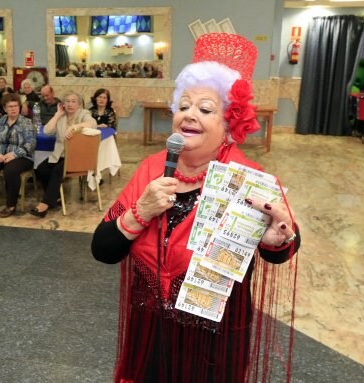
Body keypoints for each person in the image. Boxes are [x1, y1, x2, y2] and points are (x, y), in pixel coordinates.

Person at [90, 33, 301, 383]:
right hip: (151, 328)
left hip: (214, 339)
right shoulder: (151, 169)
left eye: (205, 109)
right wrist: (139, 213)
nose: (189, 115)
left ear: (229, 125)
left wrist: (273, 239)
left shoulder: (249, 179)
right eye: (184, 106)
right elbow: (103, 249)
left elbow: (284, 245)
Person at [30, 91, 97, 218]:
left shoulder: (83, 114)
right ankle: (54, 199)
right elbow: (47, 131)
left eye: (73, 101)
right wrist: (56, 115)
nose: (70, 104)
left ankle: (45, 204)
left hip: (78, 156)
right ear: (63, 104)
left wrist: (75, 127)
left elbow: (92, 124)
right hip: (60, 155)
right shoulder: (61, 116)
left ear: (79, 104)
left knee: (56, 171)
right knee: (41, 169)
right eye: (67, 101)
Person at [0, 93, 36, 218]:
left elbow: (31, 143)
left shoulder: (26, 122)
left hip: (22, 156)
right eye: (10, 106)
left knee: (11, 171)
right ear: (4, 108)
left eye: (15, 106)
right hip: (1, 154)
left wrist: (14, 154)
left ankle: (11, 205)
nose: (13, 109)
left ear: (19, 107)